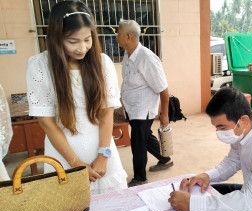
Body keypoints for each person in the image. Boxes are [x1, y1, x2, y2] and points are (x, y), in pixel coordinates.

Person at [26, 1, 128, 195]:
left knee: (111, 210)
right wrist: (75, 164)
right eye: (73, 41)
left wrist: (103, 155)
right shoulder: (39, 66)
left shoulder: (102, 63)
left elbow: (107, 114)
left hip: (103, 151)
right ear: (56, 38)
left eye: (87, 39)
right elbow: (47, 123)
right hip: (63, 156)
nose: (82, 48)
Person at [117, 20, 173, 187]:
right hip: (132, 108)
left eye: (118, 33)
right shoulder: (128, 55)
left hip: (143, 109)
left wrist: (164, 115)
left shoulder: (147, 58)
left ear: (128, 36)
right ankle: (165, 159)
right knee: (146, 137)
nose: (116, 36)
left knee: (138, 144)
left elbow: (163, 90)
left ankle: (140, 178)